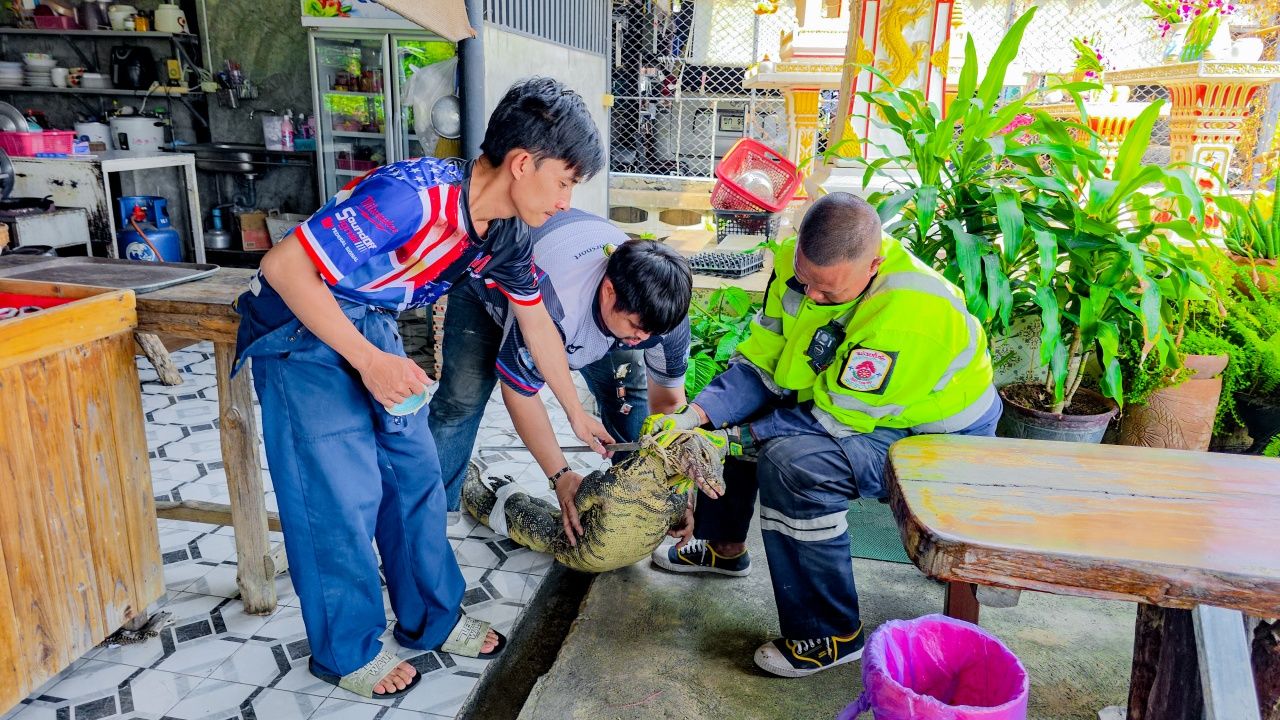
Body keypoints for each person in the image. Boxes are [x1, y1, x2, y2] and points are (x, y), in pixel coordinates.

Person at [230, 77, 611, 699]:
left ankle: (430, 620)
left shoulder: (506, 232)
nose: (568, 200)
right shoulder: (411, 197)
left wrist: (574, 412)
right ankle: (344, 650)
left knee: (414, 476)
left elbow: (535, 319)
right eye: (565, 180)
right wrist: (368, 361)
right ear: (522, 164)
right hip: (301, 330)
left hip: (370, 326)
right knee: (339, 497)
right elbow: (284, 266)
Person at [644, 192, 1000, 678]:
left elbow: (833, 420)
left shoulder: (911, 312)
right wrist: (698, 415)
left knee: (793, 465)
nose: (811, 296)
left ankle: (831, 632)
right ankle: (723, 546)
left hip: (934, 438)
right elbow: (764, 360)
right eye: (806, 282)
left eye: (827, 292)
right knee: (726, 425)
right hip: (851, 404)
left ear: (873, 264)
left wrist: (732, 440)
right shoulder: (801, 265)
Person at [429, 209, 693, 543]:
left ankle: (635, 501)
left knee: (625, 396)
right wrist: (562, 477)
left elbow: (669, 403)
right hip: (488, 292)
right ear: (609, 291)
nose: (642, 339)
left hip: (589, 314)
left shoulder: (661, 314)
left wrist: (672, 487)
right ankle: (434, 517)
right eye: (636, 328)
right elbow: (520, 391)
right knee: (460, 401)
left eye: (651, 333)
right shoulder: (558, 306)